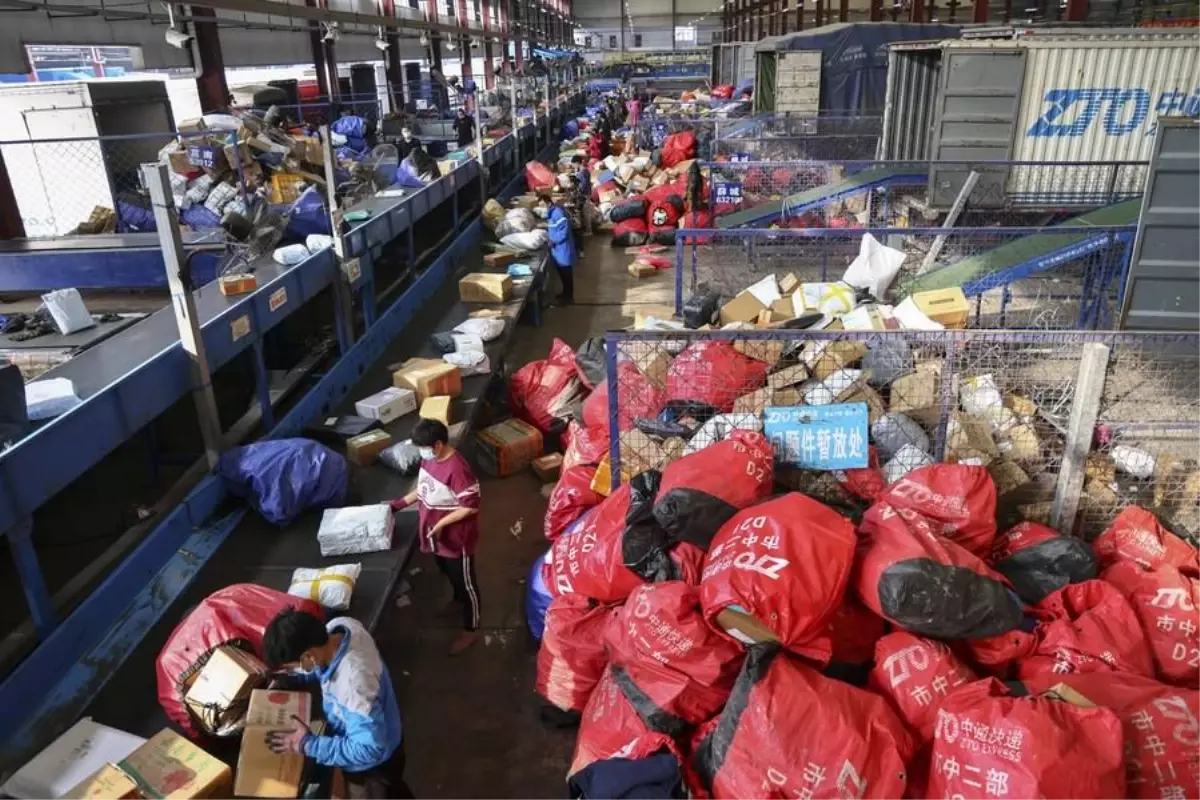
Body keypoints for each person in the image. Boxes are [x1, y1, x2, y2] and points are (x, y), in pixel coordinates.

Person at [262, 609, 416, 800]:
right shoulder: (341, 627)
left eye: (292, 667)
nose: (294, 671)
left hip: (374, 765)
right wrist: (291, 677)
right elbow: (320, 665)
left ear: (308, 657)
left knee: (387, 793)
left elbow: (371, 749)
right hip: (383, 727)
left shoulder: (353, 685)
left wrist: (308, 744)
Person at [389, 418, 482, 655]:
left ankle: (471, 629)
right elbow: (424, 489)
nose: (421, 452)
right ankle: (457, 599)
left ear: (438, 444)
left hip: (455, 538)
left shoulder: (458, 469)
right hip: (436, 536)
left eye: (423, 447)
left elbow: (470, 506)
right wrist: (396, 506)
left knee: (466, 582)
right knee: (448, 572)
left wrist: (441, 523)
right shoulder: (430, 460)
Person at [543, 194, 576, 304]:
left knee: (566, 274)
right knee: (562, 273)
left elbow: (564, 232)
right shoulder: (552, 213)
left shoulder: (558, 213)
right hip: (558, 250)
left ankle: (568, 297)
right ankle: (565, 293)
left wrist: (553, 241)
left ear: (548, 203)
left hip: (563, 248)